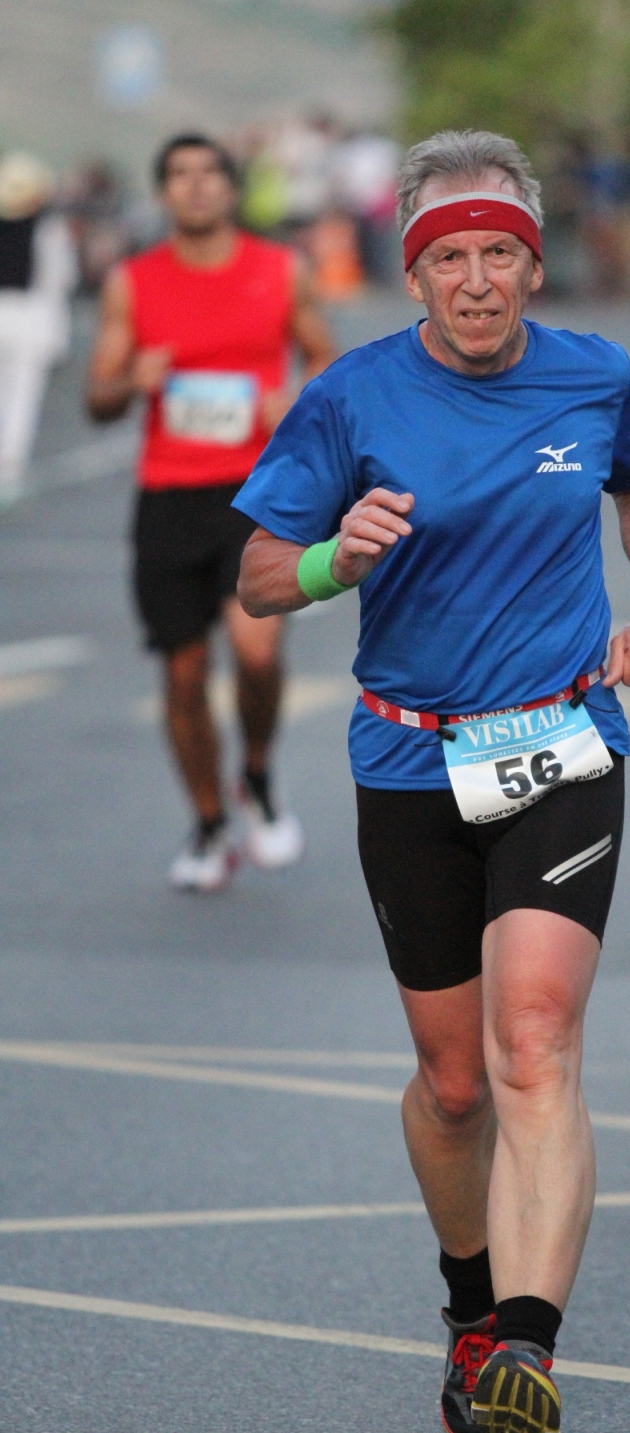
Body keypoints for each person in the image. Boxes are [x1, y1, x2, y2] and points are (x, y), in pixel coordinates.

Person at [236, 128, 630, 1433]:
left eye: (502, 253)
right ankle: (471, 1310)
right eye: (452, 258)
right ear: (415, 274)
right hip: (408, 759)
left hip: (561, 737)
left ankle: (526, 1354)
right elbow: (257, 574)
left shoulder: (594, 374)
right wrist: (331, 559)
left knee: (532, 1043)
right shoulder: (351, 395)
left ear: (533, 267)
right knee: (451, 1086)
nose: (479, 279)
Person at [86, 132, 337, 890]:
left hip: (259, 492)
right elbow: (97, 398)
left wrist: (298, 399)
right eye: (179, 175)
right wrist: (132, 379)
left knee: (256, 652)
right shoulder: (132, 282)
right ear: (163, 192)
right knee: (184, 671)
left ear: (232, 189)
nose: (196, 187)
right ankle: (208, 823)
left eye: (209, 174)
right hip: (170, 495)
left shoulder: (280, 270)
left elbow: (325, 358)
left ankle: (255, 773)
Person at [0, 153, 77, 500]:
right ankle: (9, 465)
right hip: (29, 319)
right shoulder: (50, 230)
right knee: (21, 396)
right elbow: (61, 280)